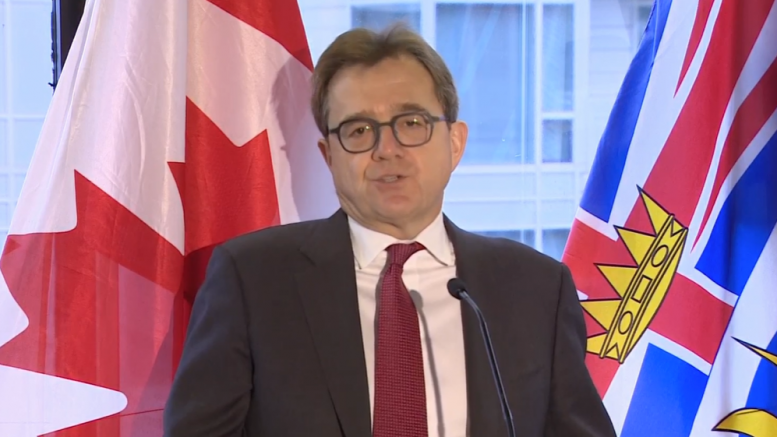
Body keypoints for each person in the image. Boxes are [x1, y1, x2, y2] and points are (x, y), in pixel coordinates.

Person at [163, 24, 616, 437]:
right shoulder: (253, 280)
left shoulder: (536, 288)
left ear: (455, 142)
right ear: (329, 156)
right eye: (359, 130)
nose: (386, 149)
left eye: (411, 123)